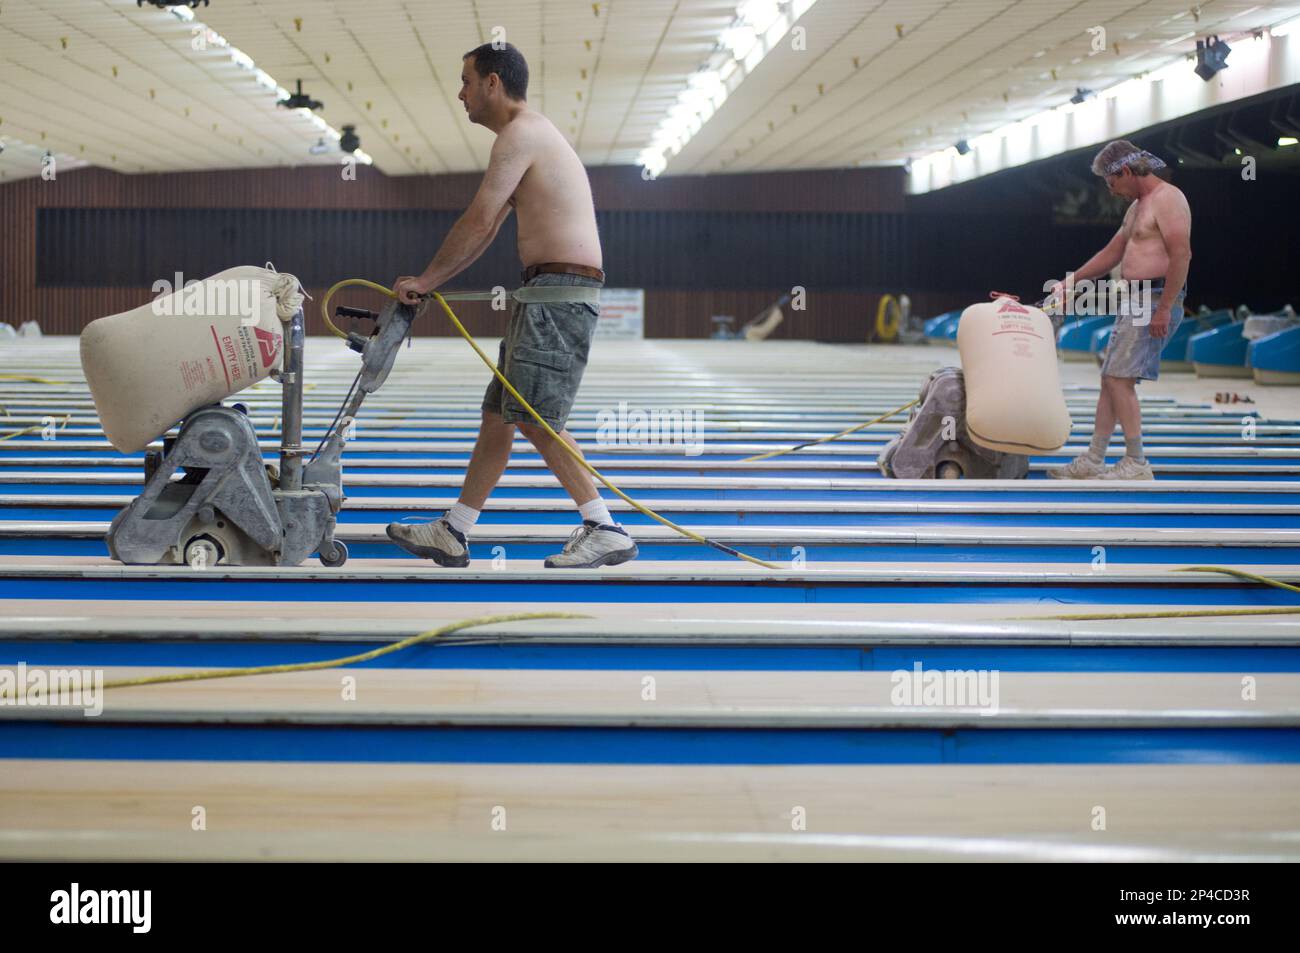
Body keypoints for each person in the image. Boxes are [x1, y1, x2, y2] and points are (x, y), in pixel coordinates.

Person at [386, 42, 637, 568]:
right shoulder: (528, 136)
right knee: (499, 416)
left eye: (467, 81)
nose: (462, 94)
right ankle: (454, 530)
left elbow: (478, 220)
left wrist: (426, 279)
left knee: (533, 416)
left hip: (558, 295)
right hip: (548, 292)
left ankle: (604, 526)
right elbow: (490, 226)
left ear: (494, 83)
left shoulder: (519, 134)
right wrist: (433, 282)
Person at [1046, 140, 1192, 481]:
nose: (1112, 192)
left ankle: (1137, 462)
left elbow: (1182, 255)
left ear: (1125, 171)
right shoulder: (1137, 207)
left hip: (1154, 299)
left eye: (1112, 184)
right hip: (1136, 300)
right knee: (1111, 380)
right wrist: (1072, 281)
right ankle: (1095, 458)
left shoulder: (1168, 199)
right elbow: (1112, 253)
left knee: (1117, 379)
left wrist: (1164, 309)